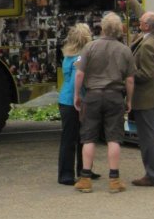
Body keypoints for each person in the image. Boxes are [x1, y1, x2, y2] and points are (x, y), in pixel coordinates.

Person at [73, 12, 135, 193]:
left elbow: (79, 74)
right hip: (114, 96)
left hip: (92, 96)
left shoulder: (90, 47)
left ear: (102, 28)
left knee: (88, 137)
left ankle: (85, 179)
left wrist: (77, 95)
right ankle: (114, 180)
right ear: (119, 29)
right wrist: (129, 100)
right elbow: (130, 80)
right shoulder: (125, 50)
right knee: (114, 138)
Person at [118, 0, 154, 187]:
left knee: (148, 137)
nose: (138, 22)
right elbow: (144, 13)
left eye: (141, 22)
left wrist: (127, 75)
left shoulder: (149, 45)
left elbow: (146, 74)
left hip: (146, 97)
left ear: (147, 27)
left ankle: (152, 175)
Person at [57, 23, 96, 185]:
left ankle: (78, 169)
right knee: (79, 137)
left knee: (72, 137)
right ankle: (70, 173)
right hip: (74, 101)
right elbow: (76, 81)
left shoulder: (68, 55)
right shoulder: (80, 58)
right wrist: (78, 98)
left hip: (64, 99)